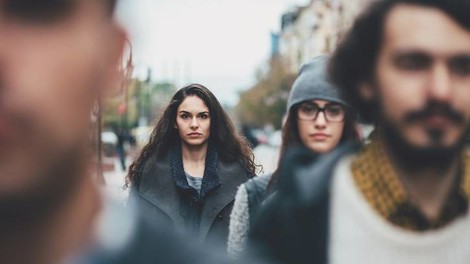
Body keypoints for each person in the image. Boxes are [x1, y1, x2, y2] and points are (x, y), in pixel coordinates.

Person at [0, 1, 234, 263]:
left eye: (33, 11)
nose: (194, 124)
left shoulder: (240, 181)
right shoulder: (149, 176)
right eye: (186, 116)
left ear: (110, 57)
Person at [248, 0, 470, 263]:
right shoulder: (292, 221)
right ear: (366, 80)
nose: (441, 91)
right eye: (413, 64)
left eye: (462, 67)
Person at [227, 55, 359, 257]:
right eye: (309, 109)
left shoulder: (373, 194)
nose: (321, 121)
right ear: (294, 117)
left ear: (347, 118)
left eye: (333, 110)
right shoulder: (254, 194)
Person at [126, 83, 258, 246]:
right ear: (175, 121)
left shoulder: (240, 173)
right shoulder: (148, 172)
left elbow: (255, 240)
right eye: (185, 116)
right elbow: (131, 237)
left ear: (213, 121)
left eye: (203, 116)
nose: (194, 124)